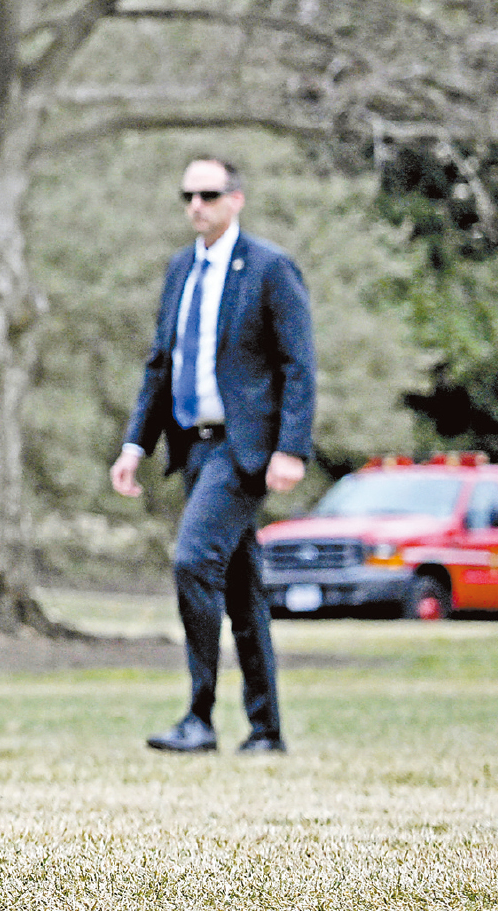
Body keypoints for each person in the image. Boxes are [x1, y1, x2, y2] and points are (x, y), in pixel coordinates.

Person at [111, 156, 314, 755]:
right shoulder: (182, 269)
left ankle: (199, 716)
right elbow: (160, 363)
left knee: (193, 561)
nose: (196, 206)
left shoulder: (270, 268)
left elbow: (298, 366)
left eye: (208, 194)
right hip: (192, 447)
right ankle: (266, 730)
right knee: (243, 589)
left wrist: (291, 448)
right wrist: (134, 445)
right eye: (188, 196)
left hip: (242, 449)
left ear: (236, 199)